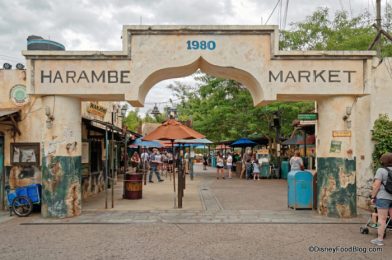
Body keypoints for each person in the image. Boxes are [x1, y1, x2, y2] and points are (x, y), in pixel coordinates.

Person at [369, 152, 392, 246]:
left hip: (383, 197)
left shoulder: (381, 170)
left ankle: (379, 239)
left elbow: (376, 185)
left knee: (382, 219)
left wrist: (373, 196)